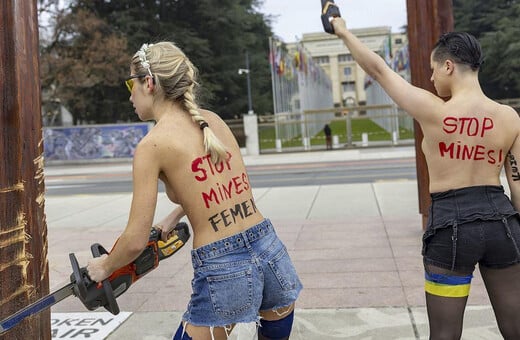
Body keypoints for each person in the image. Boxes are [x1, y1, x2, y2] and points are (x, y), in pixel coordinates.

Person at [86, 42, 302, 340]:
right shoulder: (211, 121)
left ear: (149, 83)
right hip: (269, 248)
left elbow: (135, 241)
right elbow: (224, 186)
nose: (130, 94)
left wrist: (105, 266)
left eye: (130, 83)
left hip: (225, 266)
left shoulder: (151, 146)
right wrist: (175, 215)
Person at [331, 12, 520, 340]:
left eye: (433, 70)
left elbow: (378, 68)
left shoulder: (435, 111)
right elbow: (518, 188)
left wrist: (341, 30)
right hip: (501, 225)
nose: (431, 79)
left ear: (449, 66)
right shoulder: (508, 117)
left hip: (451, 226)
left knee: (445, 334)